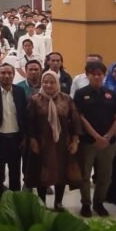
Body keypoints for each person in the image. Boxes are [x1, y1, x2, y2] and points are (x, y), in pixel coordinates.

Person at [25, 70, 81, 210]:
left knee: (60, 173)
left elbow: (75, 120)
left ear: (57, 83)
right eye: (45, 82)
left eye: (52, 82)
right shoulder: (35, 99)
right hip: (42, 143)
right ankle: (42, 202)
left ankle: (58, 202)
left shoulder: (66, 99)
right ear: (41, 83)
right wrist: (32, 140)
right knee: (42, 173)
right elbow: (29, 122)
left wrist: (75, 141)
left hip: (62, 143)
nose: (48, 85)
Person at [74, 61, 116, 217]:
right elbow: (80, 117)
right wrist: (96, 136)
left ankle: (99, 203)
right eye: (93, 74)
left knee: (105, 176)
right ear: (87, 75)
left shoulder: (111, 94)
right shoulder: (80, 94)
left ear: (104, 75)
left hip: (108, 143)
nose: (97, 77)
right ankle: (86, 204)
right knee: (85, 175)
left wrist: (107, 136)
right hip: (88, 142)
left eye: (100, 74)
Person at [0, 63, 27, 202]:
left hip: (15, 139)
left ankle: (15, 204)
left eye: (9, 73)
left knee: (15, 175)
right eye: (3, 73)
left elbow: (23, 115)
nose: (6, 76)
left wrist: (24, 137)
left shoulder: (20, 91)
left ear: (13, 75)